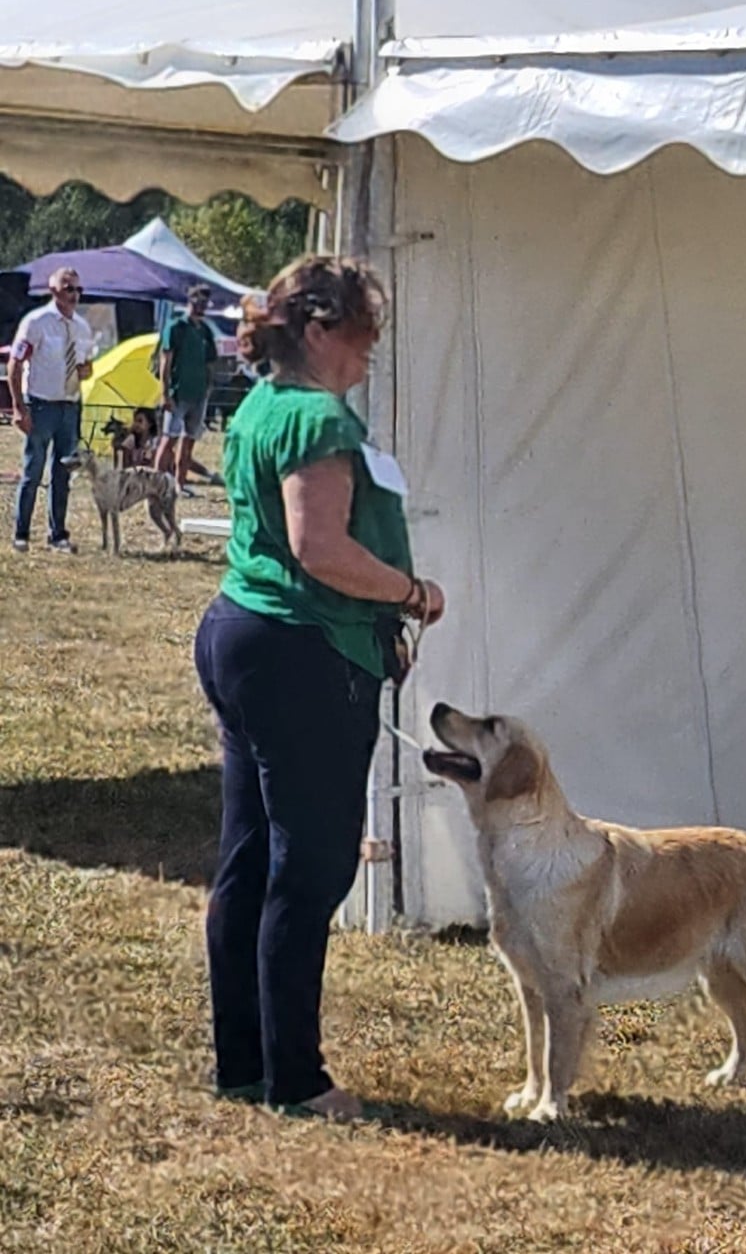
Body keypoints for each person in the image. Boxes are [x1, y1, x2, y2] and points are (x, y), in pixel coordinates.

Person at [193, 256, 445, 1121]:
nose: (372, 348)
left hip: (245, 633)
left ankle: (244, 1065)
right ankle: (295, 1079)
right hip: (304, 650)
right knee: (312, 867)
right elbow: (323, 550)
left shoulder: (263, 403)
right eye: (363, 330)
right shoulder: (314, 418)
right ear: (318, 329)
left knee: (250, 859)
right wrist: (415, 595)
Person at [9, 266, 94, 553]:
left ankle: (58, 533)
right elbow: (16, 364)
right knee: (33, 471)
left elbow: (86, 365)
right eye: (69, 288)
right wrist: (19, 408)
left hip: (69, 406)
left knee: (63, 474)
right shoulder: (37, 322)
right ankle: (21, 532)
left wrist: (85, 371)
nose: (75, 295)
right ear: (54, 290)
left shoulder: (82, 327)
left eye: (78, 289)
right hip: (41, 404)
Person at [154, 283, 218, 496]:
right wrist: (165, 393)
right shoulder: (175, 327)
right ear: (190, 302)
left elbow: (210, 362)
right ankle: (155, 484)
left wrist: (209, 387)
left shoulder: (206, 331)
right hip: (177, 393)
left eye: (204, 303)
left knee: (189, 439)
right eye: (198, 302)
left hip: (198, 394)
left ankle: (179, 485)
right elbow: (165, 360)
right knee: (168, 438)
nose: (201, 307)